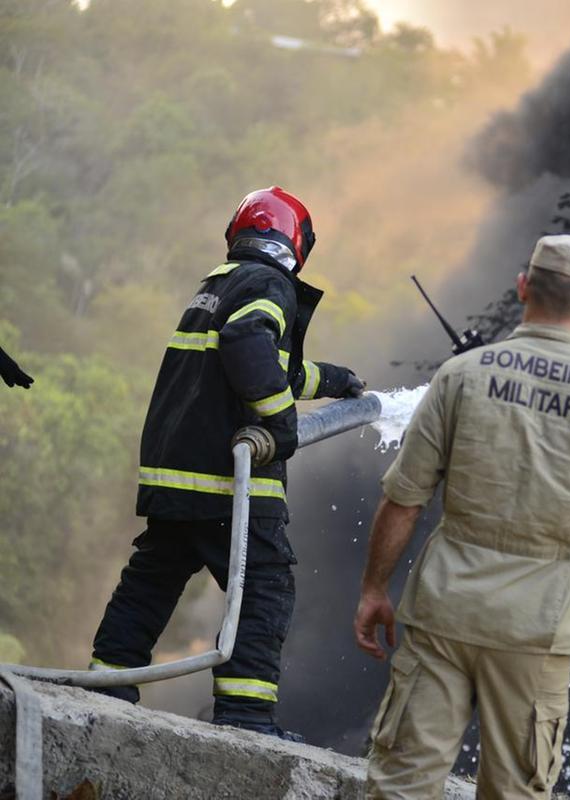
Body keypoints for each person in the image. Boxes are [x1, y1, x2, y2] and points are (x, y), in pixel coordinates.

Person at [354, 234, 570, 798]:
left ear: (523, 288)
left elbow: (405, 498)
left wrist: (375, 587)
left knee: (400, 784)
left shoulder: (462, 376)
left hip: (443, 611)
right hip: (539, 631)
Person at [89, 186, 363, 740]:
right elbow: (246, 344)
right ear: (296, 242)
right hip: (226, 478)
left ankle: (107, 684)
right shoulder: (268, 284)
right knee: (265, 585)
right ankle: (245, 717)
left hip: (176, 472)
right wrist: (280, 426)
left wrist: (334, 381)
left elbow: (267, 365)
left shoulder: (219, 285)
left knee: (155, 577)